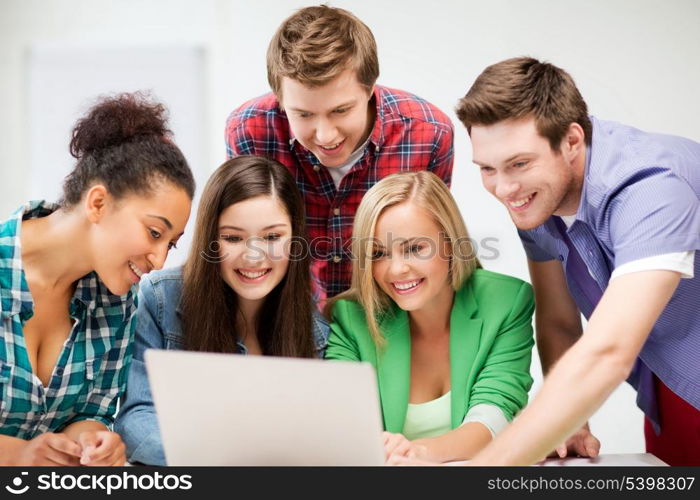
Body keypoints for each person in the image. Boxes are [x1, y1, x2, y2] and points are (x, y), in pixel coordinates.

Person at [453, 57, 700, 466]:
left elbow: (608, 352)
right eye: (487, 169)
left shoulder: (650, 188)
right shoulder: (534, 200)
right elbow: (559, 321)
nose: (504, 188)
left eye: (518, 163)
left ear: (571, 140)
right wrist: (569, 421)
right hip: (671, 387)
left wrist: (483, 472)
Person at [0, 93, 195, 466]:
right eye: (155, 233)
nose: (159, 259)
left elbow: (90, 413)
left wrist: (93, 441)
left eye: (171, 244)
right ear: (98, 203)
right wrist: (17, 455)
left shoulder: (117, 301)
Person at [225, 5, 454, 304]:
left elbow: (430, 250)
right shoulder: (248, 131)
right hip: (287, 314)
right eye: (304, 114)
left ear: (370, 88)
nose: (325, 135)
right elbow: (248, 246)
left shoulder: (429, 134)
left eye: (341, 110)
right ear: (280, 99)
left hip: (387, 314)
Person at [114, 155, 330, 465]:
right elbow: (136, 417)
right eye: (232, 238)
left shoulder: (315, 331)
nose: (254, 257)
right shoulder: (162, 299)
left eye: (272, 237)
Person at [325, 171, 534, 463]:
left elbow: (494, 415)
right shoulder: (350, 319)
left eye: (414, 248)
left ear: (450, 243)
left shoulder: (505, 303)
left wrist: (418, 452)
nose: (397, 269)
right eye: (379, 253)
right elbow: (343, 421)